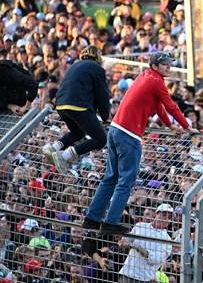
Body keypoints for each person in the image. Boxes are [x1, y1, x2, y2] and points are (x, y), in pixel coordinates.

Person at [83, 52, 196, 235]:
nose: (169, 66)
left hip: (115, 130)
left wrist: (169, 125)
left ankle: (92, 218)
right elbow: (170, 106)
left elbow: (157, 105)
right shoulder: (157, 81)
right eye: (165, 64)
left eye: (169, 63)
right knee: (126, 181)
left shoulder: (145, 76)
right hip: (128, 135)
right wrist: (186, 126)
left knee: (111, 177)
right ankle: (110, 222)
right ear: (155, 65)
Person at [43, 45, 111, 174]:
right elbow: (102, 94)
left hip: (62, 105)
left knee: (78, 132)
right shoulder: (97, 68)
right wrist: (105, 116)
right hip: (78, 105)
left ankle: (53, 148)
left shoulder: (75, 66)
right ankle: (64, 156)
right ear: (97, 57)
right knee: (101, 139)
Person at [118, 203, 174, 282]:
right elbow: (125, 241)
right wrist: (122, 242)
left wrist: (136, 247)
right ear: (156, 214)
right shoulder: (140, 226)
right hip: (127, 273)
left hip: (144, 278)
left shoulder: (167, 240)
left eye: (169, 217)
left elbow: (155, 260)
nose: (166, 219)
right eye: (164, 214)